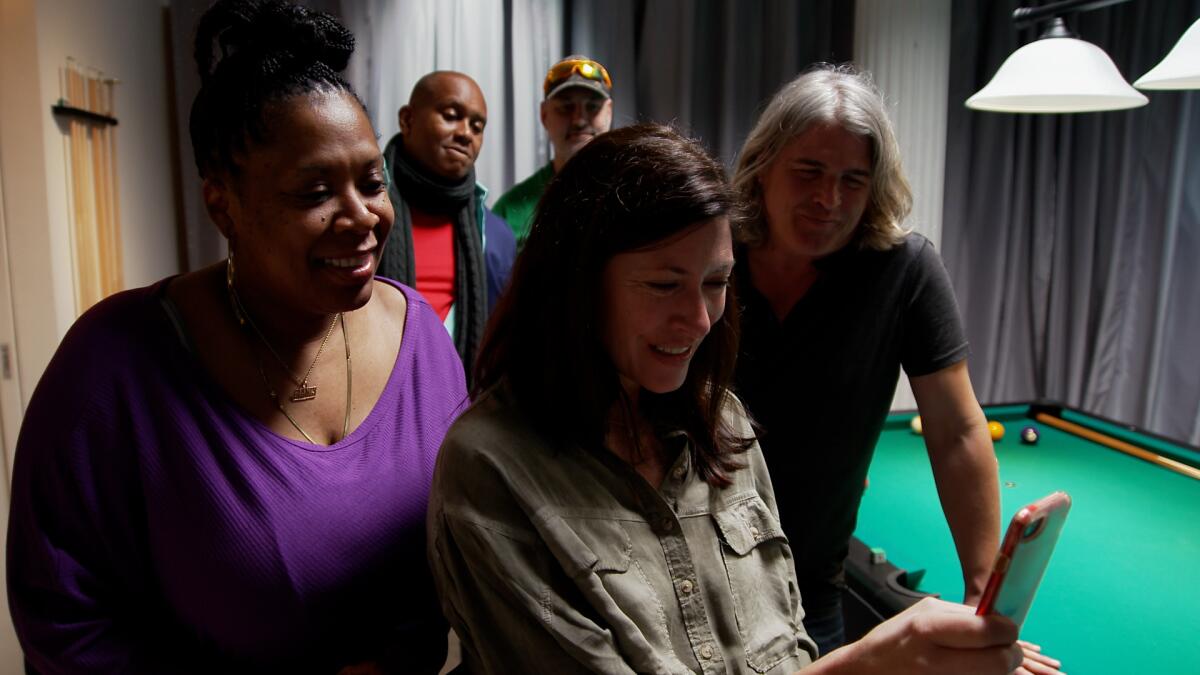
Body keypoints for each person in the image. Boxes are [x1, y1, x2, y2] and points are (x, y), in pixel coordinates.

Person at [427, 123, 1033, 674]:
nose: (698, 320)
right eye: (665, 284)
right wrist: (873, 663)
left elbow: (790, 649)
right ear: (577, 286)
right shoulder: (489, 466)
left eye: (717, 283)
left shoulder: (722, 418)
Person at [6, 2, 463, 672]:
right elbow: (64, 622)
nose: (363, 217)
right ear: (223, 202)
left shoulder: (421, 338)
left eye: (372, 181)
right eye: (314, 192)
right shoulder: (112, 366)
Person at [730, 64, 1057, 671]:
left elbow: (958, 431)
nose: (829, 200)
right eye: (809, 172)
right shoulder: (710, 250)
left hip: (808, 588)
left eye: (853, 180)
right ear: (763, 165)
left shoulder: (904, 269)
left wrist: (984, 602)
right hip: (688, 573)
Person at [376, 71, 516, 377]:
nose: (466, 133)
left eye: (477, 127)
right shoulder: (365, 215)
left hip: (462, 407)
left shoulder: (497, 238)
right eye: (451, 116)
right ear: (407, 119)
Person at [493, 55, 614, 247]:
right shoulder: (510, 210)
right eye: (565, 107)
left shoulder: (634, 196)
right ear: (544, 115)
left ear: (609, 112)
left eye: (592, 107)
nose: (579, 120)